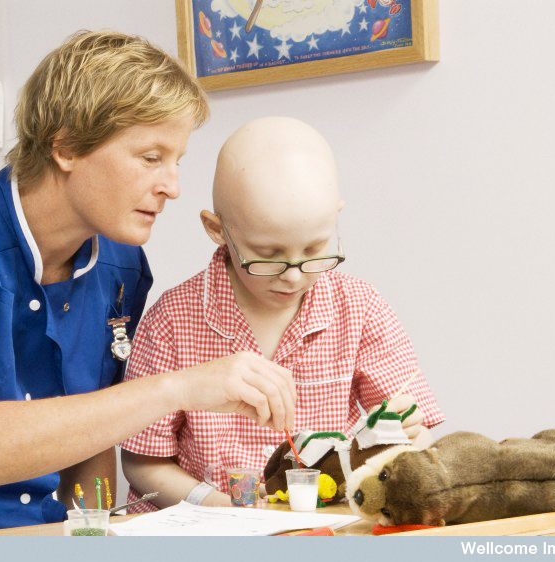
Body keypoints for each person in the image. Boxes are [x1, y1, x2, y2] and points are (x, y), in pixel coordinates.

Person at [0, 31, 297, 535]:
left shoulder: (120, 265)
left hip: (29, 530)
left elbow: (93, 432)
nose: (172, 187)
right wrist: (179, 387)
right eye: (151, 158)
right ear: (65, 147)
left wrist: (97, 531)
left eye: (177, 161)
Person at [121, 116, 445, 511]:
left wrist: (404, 436)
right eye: (268, 255)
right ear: (216, 229)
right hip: (207, 530)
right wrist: (225, 510)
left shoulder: (359, 306)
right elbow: (143, 462)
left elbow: (419, 431)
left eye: (313, 250)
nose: (293, 276)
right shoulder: (172, 320)